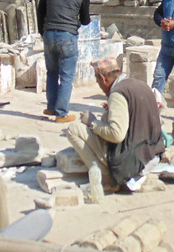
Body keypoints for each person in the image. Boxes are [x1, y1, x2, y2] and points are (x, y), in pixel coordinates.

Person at [66, 57, 166, 192]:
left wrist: (92, 123)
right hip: (152, 153)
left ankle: (103, 178)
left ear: (103, 78)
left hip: (131, 161)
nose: (99, 86)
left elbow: (116, 135)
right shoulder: (140, 85)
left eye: (98, 81)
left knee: (74, 129)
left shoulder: (118, 93)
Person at [36, 0, 91, 123]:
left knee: (52, 72)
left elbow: (40, 11)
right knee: (67, 76)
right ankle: (62, 113)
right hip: (67, 36)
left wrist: (42, 32)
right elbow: (86, 19)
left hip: (48, 34)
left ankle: (51, 107)